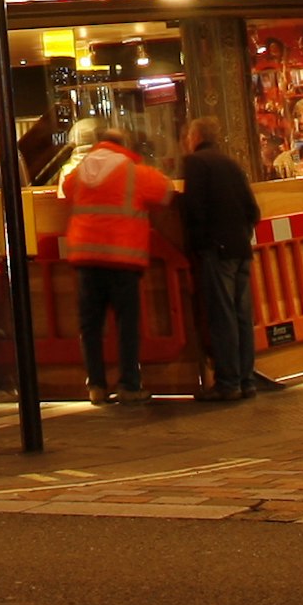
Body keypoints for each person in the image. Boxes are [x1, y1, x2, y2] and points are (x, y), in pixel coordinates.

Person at [55, 125, 171, 404]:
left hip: (86, 258)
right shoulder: (133, 170)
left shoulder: (80, 170)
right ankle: (129, 385)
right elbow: (165, 192)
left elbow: (66, 191)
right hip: (123, 258)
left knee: (90, 326)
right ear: (125, 145)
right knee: (126, 325)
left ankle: (96, 386)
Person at [174, 118, 260, 402]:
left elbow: (195, 209)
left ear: (194, 137)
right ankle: (247, 380)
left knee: (222, 317)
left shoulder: (197, 164)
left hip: (216, 249)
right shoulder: (231, 163)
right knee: (242, 316)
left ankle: (228, 382)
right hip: (241, 249)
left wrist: (197, 241)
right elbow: (252, 209)